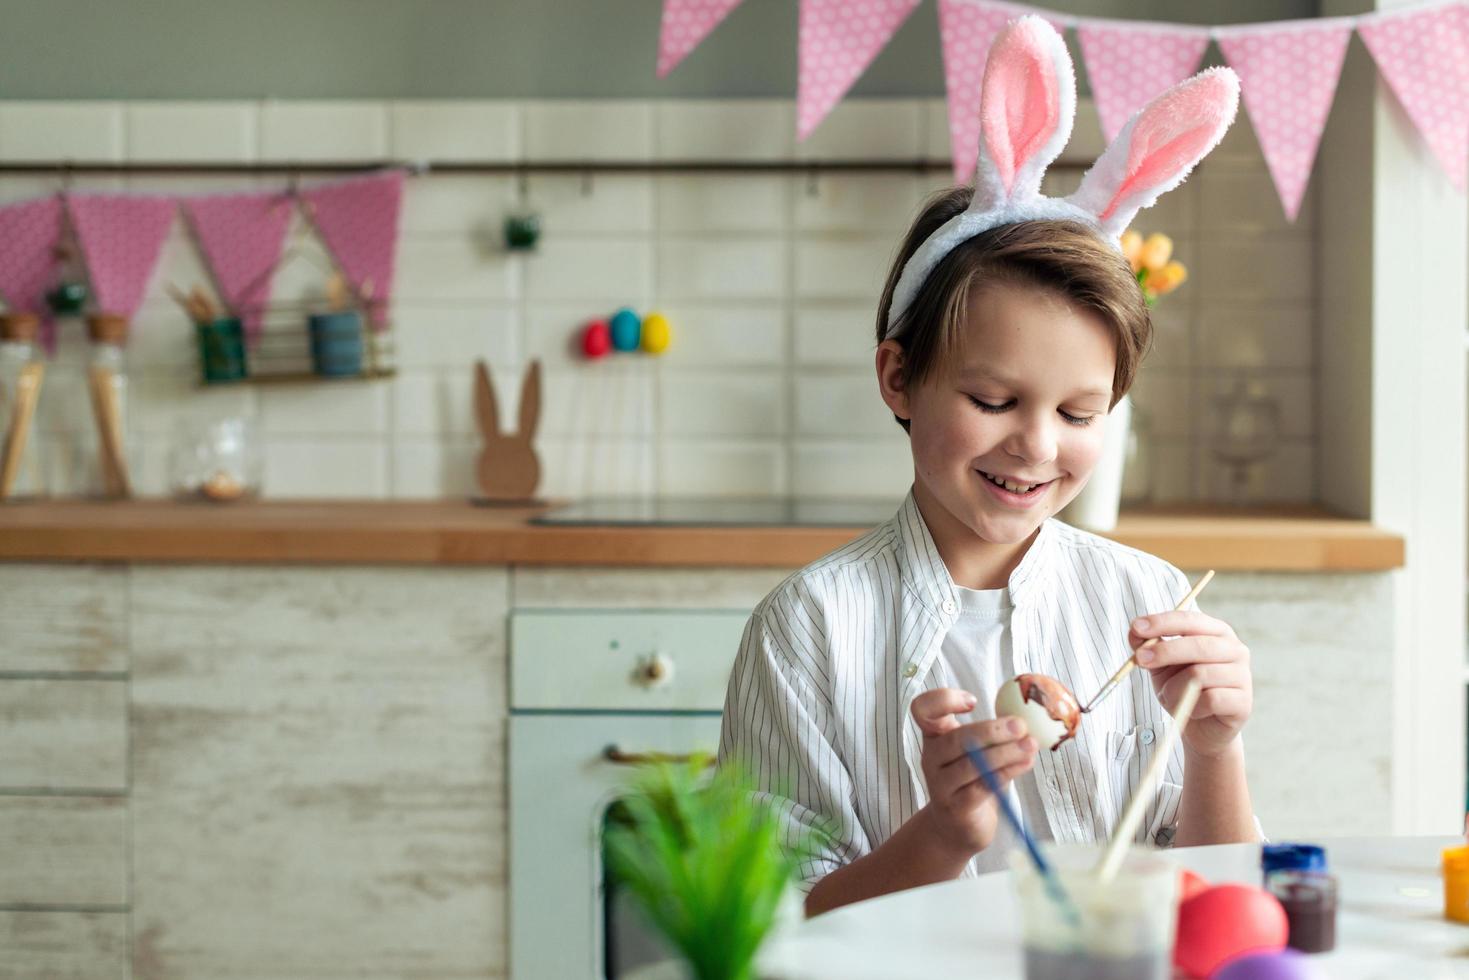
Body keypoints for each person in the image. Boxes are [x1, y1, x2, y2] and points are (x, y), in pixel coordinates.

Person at [718, 16, 1259, 918]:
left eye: (1079, 413)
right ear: (899, 377)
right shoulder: (808, 629)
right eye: (993, 402)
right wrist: (944, 834)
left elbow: (1221, 906)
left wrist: (1212, 749)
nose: (1037, 447)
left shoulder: (1147, 600)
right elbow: (770, 928)